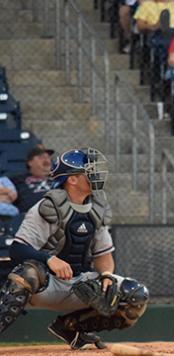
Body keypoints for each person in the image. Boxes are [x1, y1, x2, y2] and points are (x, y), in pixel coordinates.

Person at [0, 148, 149, 349]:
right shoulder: (48, 207)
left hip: (79, 285)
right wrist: (49, 259)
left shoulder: (96, 208)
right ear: (72, 179)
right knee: (27, 272)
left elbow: (104, 255)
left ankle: (70, 328)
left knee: (135, 294)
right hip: (45, 285)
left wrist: (106, 275)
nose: (95, 175)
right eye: (89, 171)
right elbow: (17, 250)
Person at [11, 146, 55, 213]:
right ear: (30, 162)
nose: (47, 160)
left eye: (48, 157)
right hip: (32, 216)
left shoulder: (58, 177)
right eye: (41, 157)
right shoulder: (18, 179)